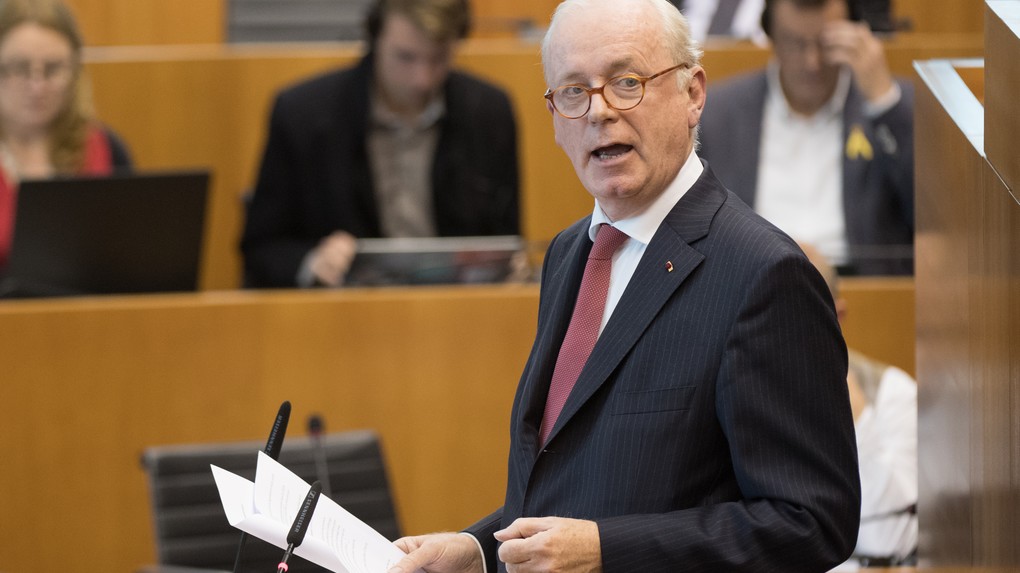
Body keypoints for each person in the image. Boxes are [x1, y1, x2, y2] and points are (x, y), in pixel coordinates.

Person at [387, 1, 860, 572]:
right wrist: (479, 550)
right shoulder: (570, 253)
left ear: (693, 94)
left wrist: (608, 552)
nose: (599, 111)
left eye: (626, 82)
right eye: (573, 92)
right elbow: (577, 483)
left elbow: (812, 521)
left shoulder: (764, 275)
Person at [240, 0, 520, 288]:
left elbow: (506, 240)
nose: (422, 80)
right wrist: (313, 261)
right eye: (405, 57)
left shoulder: (488, 112)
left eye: (438, 58)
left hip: (458, 308)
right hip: (341, 313)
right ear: (374, 38)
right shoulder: (303, 115)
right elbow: (261, 249)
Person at [698, 0, 914, 276]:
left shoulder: (886, 109)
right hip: (749, 287)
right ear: (770, 35)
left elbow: (934, 222)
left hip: (861, 295)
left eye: (826, 44)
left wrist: (885, 106)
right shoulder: (718, 114)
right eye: (795, 43)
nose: (812, 62)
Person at [800, 242, 917, 570]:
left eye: (799, 310)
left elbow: (887, 540)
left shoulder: (893, 391)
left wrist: (853, 407)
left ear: (838, 315)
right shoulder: (736, 390)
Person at [0, 0, 132, 270]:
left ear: (75, 72)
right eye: (20, 68)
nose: (37, 87)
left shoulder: (106, 148)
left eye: (52, 69)